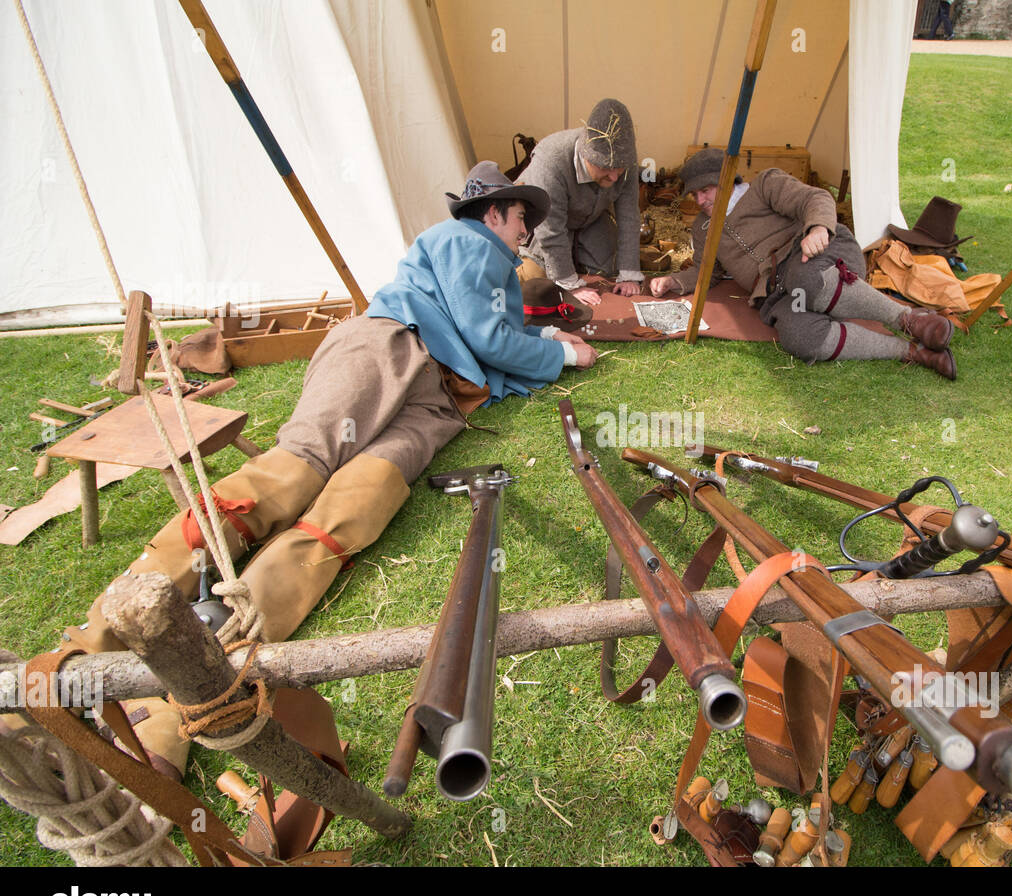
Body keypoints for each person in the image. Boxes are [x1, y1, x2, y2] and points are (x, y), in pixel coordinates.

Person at [63, 161, 597, 777]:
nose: (525, 231)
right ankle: (88, 647)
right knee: (293, 471)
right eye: (520, 218)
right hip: (390, 346)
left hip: (439, 401)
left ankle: (182, 698)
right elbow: (488, 337)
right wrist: (562, 354)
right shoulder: (464, 240)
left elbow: (495, 336)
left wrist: (549, 335)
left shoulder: (496, 266)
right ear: (493, 212)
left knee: (349, 513)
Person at [649, 149, 956, 379]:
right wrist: (675, 282)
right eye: (695, 194)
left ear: (727, 180)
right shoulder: (703, 229)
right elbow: (706, 272)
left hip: (824, 260)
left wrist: (818, 229)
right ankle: (914, 352)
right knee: (800, 339)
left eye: (706, 190)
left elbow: (816, 199)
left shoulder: (765, 185)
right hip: (781, 292)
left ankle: (910, 321)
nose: (701, 200)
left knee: (803, 274)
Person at [515, 98, 644, 308]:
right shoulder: (550, 160)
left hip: (590, 220)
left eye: (618, 169)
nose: (614, 178)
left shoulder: (624, 160)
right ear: (586, 155)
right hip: (540, 223)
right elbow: (550, 229)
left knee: (606, 272)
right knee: (540, 279)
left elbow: (629, 215)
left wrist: (629, 272)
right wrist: (570, 284)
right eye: (605, 168)